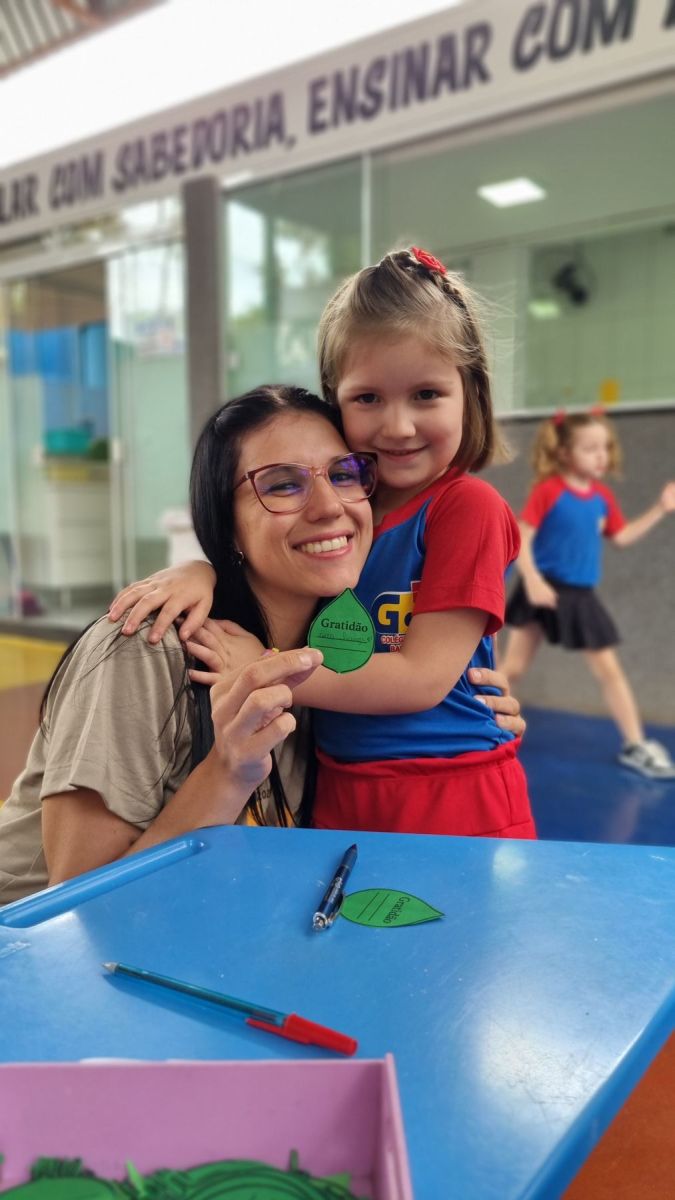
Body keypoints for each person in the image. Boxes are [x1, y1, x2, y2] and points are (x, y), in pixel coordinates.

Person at [0, 385, 522, 905]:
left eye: (343, 474)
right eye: (283, 485)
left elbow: (413, 680)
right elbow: (76, 905)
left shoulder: (335, 666)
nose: (329, 506)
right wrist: (228, 771)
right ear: (225, 525)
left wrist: (463, 710)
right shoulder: (149, 647)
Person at [110, 247, 535, 838]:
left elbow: (422, 679)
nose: (398, 426)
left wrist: (266, 669)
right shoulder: (343, 511)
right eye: (368, 398)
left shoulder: (468, 508)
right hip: (340, 780)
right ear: (335, 403)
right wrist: (201, 570)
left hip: (450, 782)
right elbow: (268, 564)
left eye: (426, 395)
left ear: (472, 394)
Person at [501, 408, 675, 778]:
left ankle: (635, 744)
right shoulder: (548, 490)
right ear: (565, 453)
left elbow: (622, 537)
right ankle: (484, 728)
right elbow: (522, 536)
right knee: (512, 669)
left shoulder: (602, 498)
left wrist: (661, 509)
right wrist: (532, 580)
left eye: (605, 447)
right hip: (541, 590)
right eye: (591, 448)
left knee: (610, 670)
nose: (601, 456)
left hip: (579, 596)